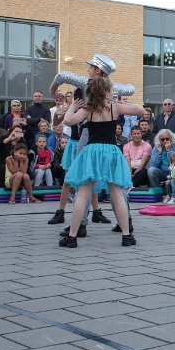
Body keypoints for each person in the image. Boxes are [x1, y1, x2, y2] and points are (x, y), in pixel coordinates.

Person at [59, 76, 144, 248]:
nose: (114, 92)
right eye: (112, 90)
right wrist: (117, 102)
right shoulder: (115, 107)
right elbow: (140, 110)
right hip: (111, 151)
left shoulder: (88, 110)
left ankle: (72, 236)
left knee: (83, 193)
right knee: (117, 192)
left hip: (91, 151)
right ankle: (127, 236)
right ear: (106, 93)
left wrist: (73, 107)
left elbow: (68, 120)